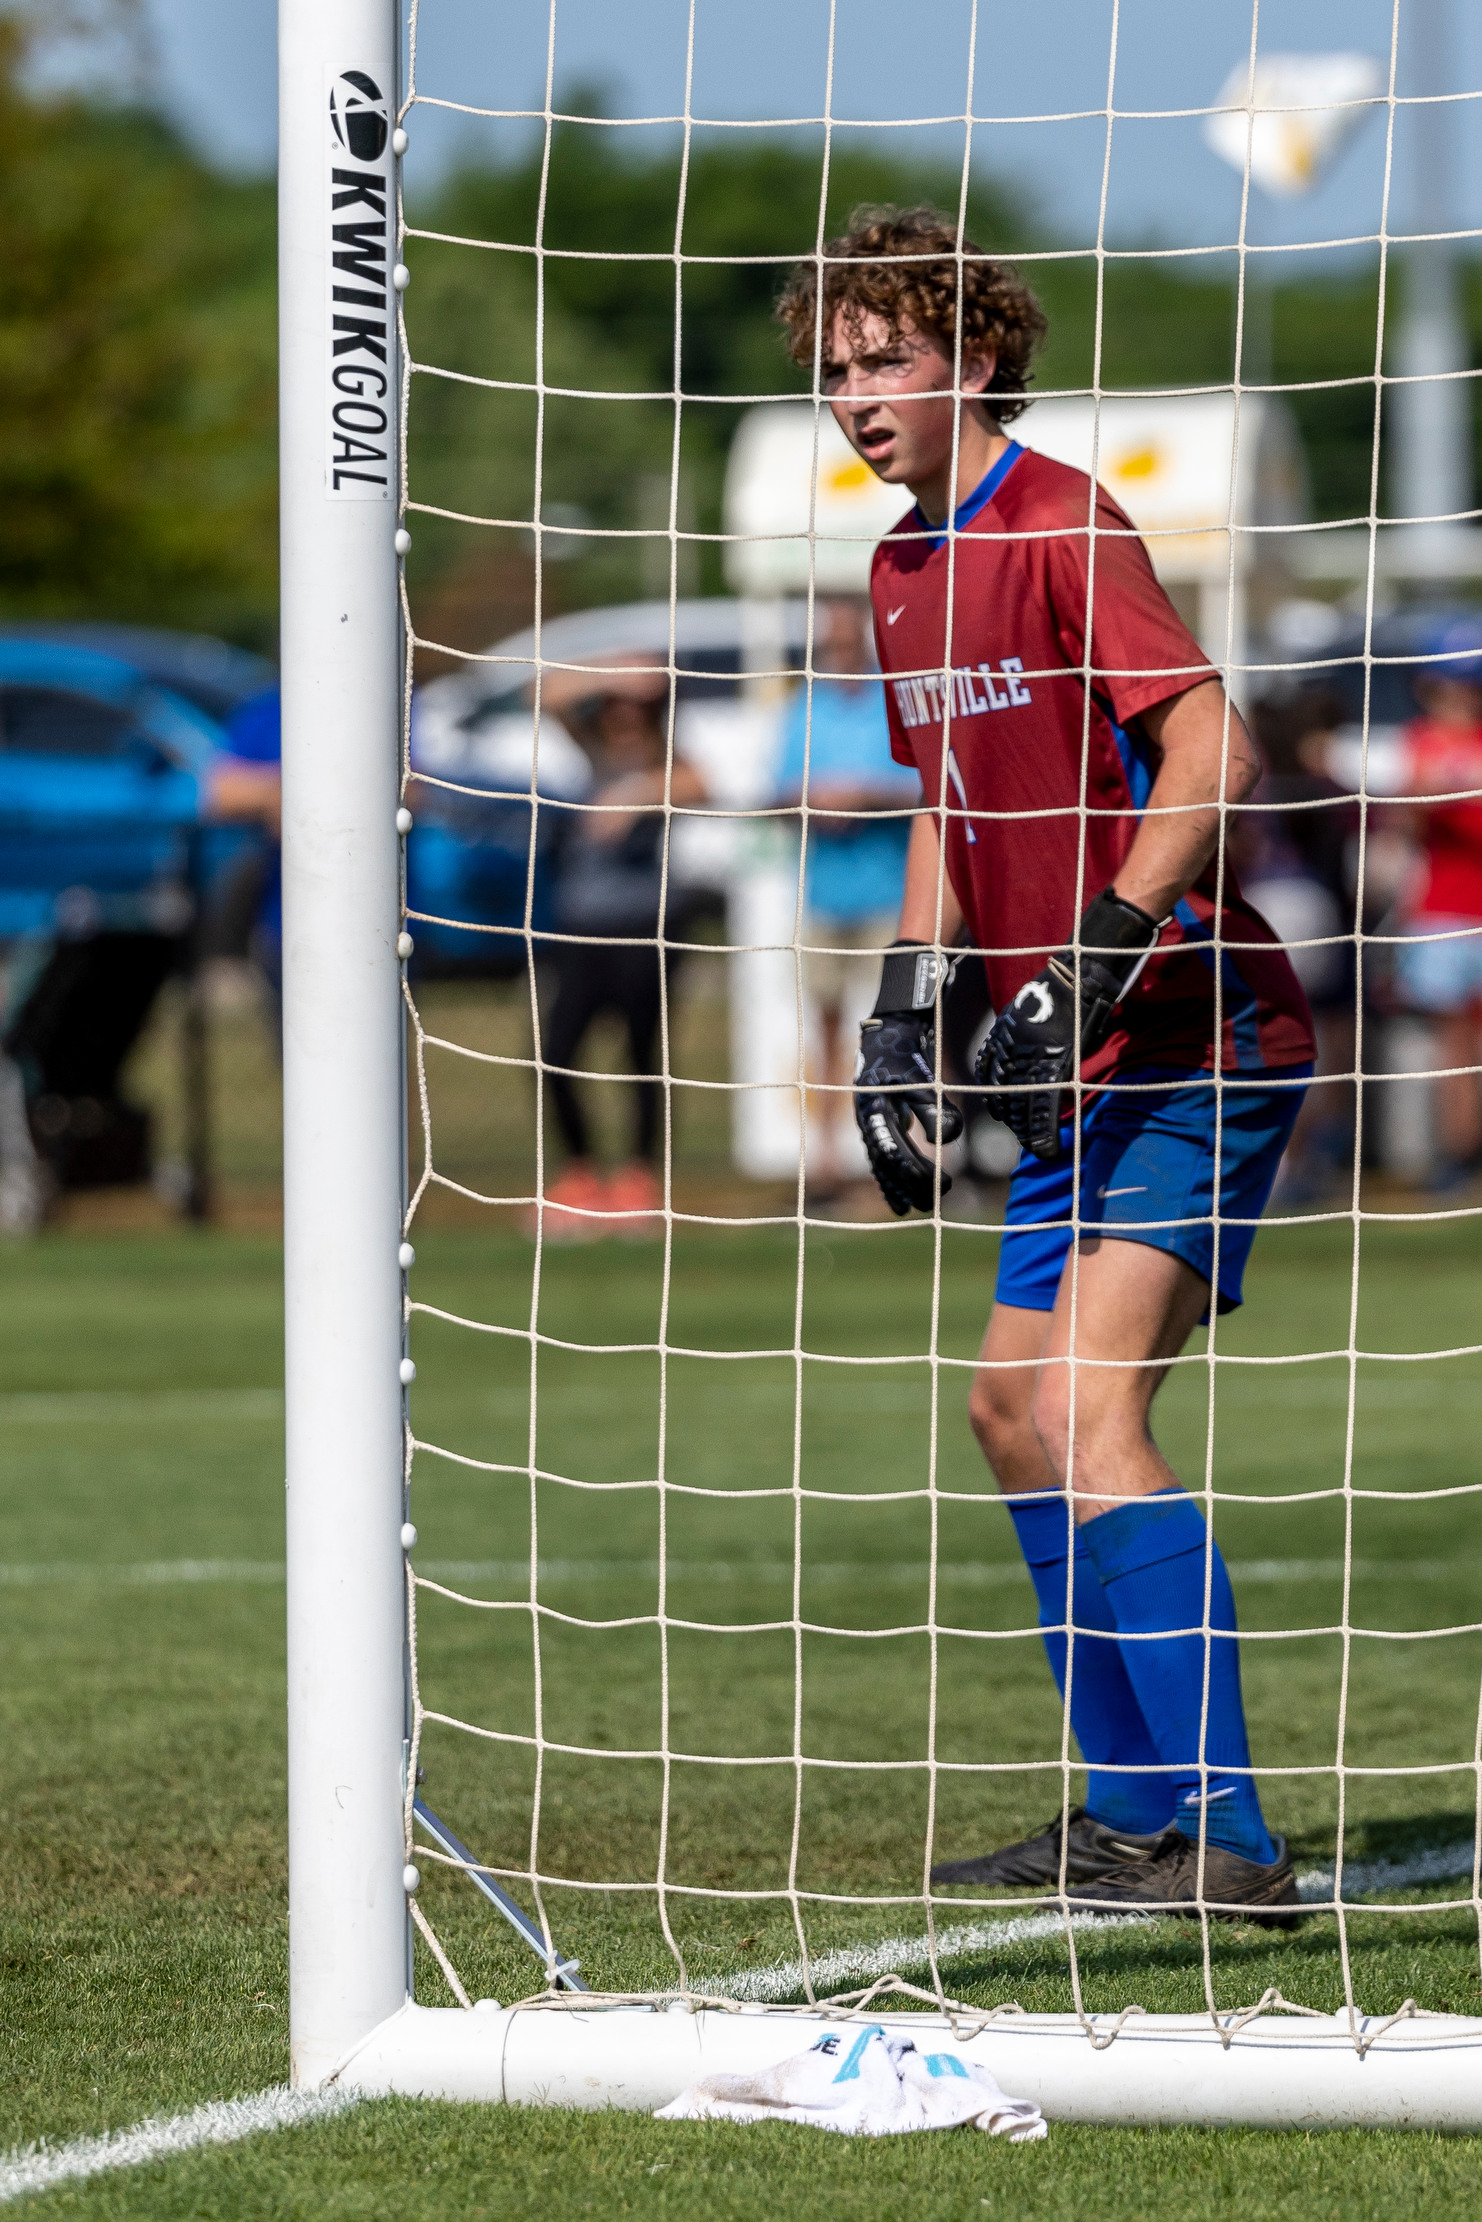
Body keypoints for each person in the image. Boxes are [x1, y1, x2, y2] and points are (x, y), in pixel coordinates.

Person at [778, 205, 1315, 1919]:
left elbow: (1210, 750)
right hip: (1057, 1055)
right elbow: (948, 802)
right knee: (1010, 1410)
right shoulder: (897, 567)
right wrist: (902, 997)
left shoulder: (1063, 520)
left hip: (1190, 1033)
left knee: (1090, 1414)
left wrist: (1090, 952)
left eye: (889, 360)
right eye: (835, 368)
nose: (857, 395)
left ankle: (1228, 1845)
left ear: (980, 359)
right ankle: (1127, 1809)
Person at [529, 657, 707, 1238]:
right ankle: (580, 1175)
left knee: (640, 1058)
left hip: (643, 932)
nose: (625, 719)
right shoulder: (591, 757)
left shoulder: (664, 766)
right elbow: (547, 694)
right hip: (580, 934)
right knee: (555, 1054)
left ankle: (637, 1180)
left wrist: (635, 795)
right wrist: (614, 676)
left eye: (637, 710)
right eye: (616, 709)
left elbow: (700, 785)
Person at [774, 597, 922, 1201]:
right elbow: (777, 795)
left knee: (903, 1027)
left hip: (893, 896)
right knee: (828, 1030)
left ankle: (914, 1155)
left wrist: (863, 798)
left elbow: (925, 790)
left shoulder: (894, 705)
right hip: (825, 898)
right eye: (830, 643)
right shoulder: (802, 709)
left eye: (847, 641)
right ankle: (829, 1165)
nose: (839, 652)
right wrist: (813, 802)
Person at [1390, 618, 1482, 1190]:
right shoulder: (1420, 740)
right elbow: (1409, 816)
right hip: (1442, 912)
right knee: (1452, 1046)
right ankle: (1458, 1154)